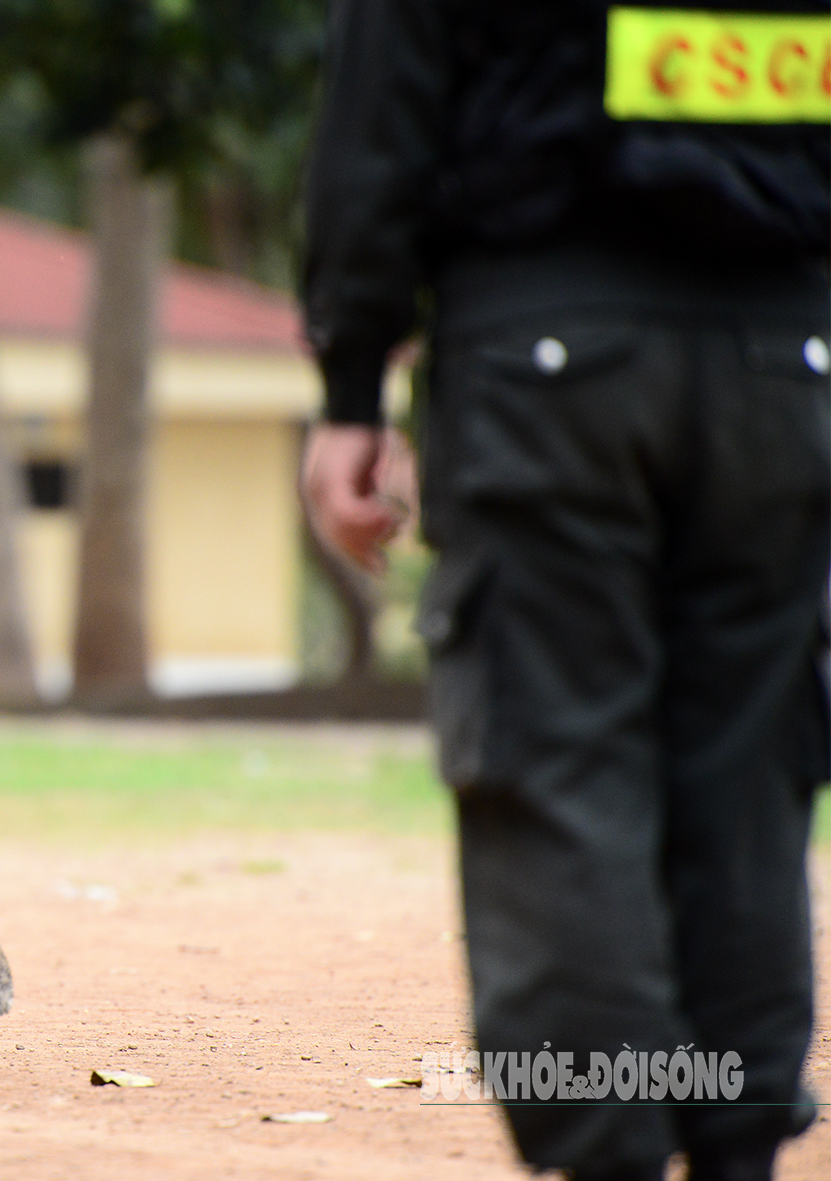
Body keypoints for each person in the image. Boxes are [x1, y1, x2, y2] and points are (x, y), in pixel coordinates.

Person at [297, 3, 829, 1180]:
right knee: (745, 772)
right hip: (784, 359)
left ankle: (611, 1149)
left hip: (546, 358)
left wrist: (349, 385)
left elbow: (379, 114)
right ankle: (736, 1146)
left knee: (560, 762)